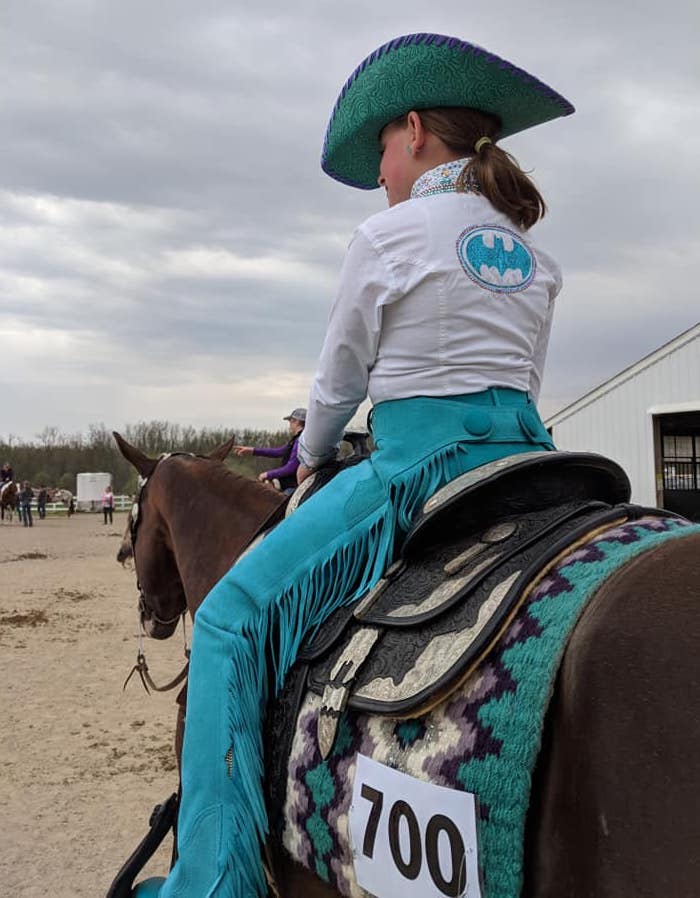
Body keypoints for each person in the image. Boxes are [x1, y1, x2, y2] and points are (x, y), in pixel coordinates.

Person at [134, 33, 573, 898]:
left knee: (225, 623)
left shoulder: (389, 233)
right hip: (534, 457)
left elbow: (337, 387)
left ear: (414, 131)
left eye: (380, 148)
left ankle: (210, 882)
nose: (379, 169)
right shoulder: (532, 256)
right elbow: (523, 378)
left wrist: (316, 454)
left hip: (418, 465)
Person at [233, 408, 306, 493]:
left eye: (290, 421)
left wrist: (268, 474)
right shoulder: (298, 439)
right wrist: (253, 450)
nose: (289, 424)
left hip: (293, 487)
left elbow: (291, 468)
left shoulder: (301, 440)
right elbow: (279, 451)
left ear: (296, 421)